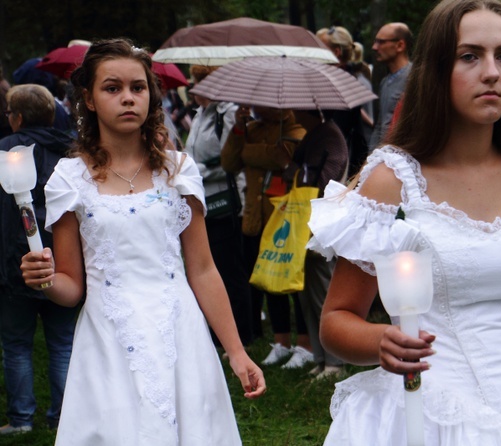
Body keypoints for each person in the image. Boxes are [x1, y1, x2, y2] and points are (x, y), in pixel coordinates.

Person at [307, 0, 501, 444]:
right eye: (470, 56)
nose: (491, 72)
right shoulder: (392, 181)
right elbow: (337, 320)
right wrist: (381, 341)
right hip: (428, 415)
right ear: (435, 70)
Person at [19, 38, 265, 445]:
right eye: (112, 88)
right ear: (90, 99)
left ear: (151, 94)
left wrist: (236, 351)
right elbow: (71, 288)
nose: (128, 98)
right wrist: (44, 278)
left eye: (138, 87)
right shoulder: (69, 178)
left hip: (179, 332)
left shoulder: (178, 171)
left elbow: (202, 270)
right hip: (109, 340)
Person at [0, 84, 78, 435]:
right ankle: (63, 417)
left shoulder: (3, 152)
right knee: (62, 344)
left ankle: (22, 419)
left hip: (13, 266)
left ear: (16, 118)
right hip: (64, 262)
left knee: (17, 345)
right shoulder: (72, 152)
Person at [221, 105, 313, 368]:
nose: (253, 106)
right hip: (255, 218)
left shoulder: (295, 129)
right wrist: (239, 130)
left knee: (294, 283)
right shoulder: (249, 130)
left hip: (286, 219)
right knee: (268, 281)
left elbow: (281, 158)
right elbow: (229, 161)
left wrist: (253, 151)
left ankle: (304, 345)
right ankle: (281, 342)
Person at [184, 65, 254, 346]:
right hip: (204, 201)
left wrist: (194, 170)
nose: (192, 87)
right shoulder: (201, 113)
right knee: (213, 266)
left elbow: (230, 160)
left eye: (198, 81)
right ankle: (218, 331)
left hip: (227, 199)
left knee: (231, 269)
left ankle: (244, 333)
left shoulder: (227, 113)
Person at [285, 110, 349, 379]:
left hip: (322, 221)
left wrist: (298, 173)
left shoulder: (330, 136)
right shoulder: (311, 136)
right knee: (306, 291)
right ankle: (321, 356)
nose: (293, 112)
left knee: (323, 290)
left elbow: (328, 182)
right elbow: (294, 174)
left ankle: (336, 361)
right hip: (304, 219)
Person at [317, 26, 373, 177]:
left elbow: (338, 128)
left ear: (336, 52)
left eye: (320, 47)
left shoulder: (343, 83)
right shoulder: (340, 78)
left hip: (336, 160)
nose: (315, 52)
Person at [368, 22, 413, 150]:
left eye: (381, 42)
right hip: (383, 157)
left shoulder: (415, 79)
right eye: (375, 41)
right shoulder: (385, 82)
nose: (374, 47)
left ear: (400, 45)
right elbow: (381, 124)